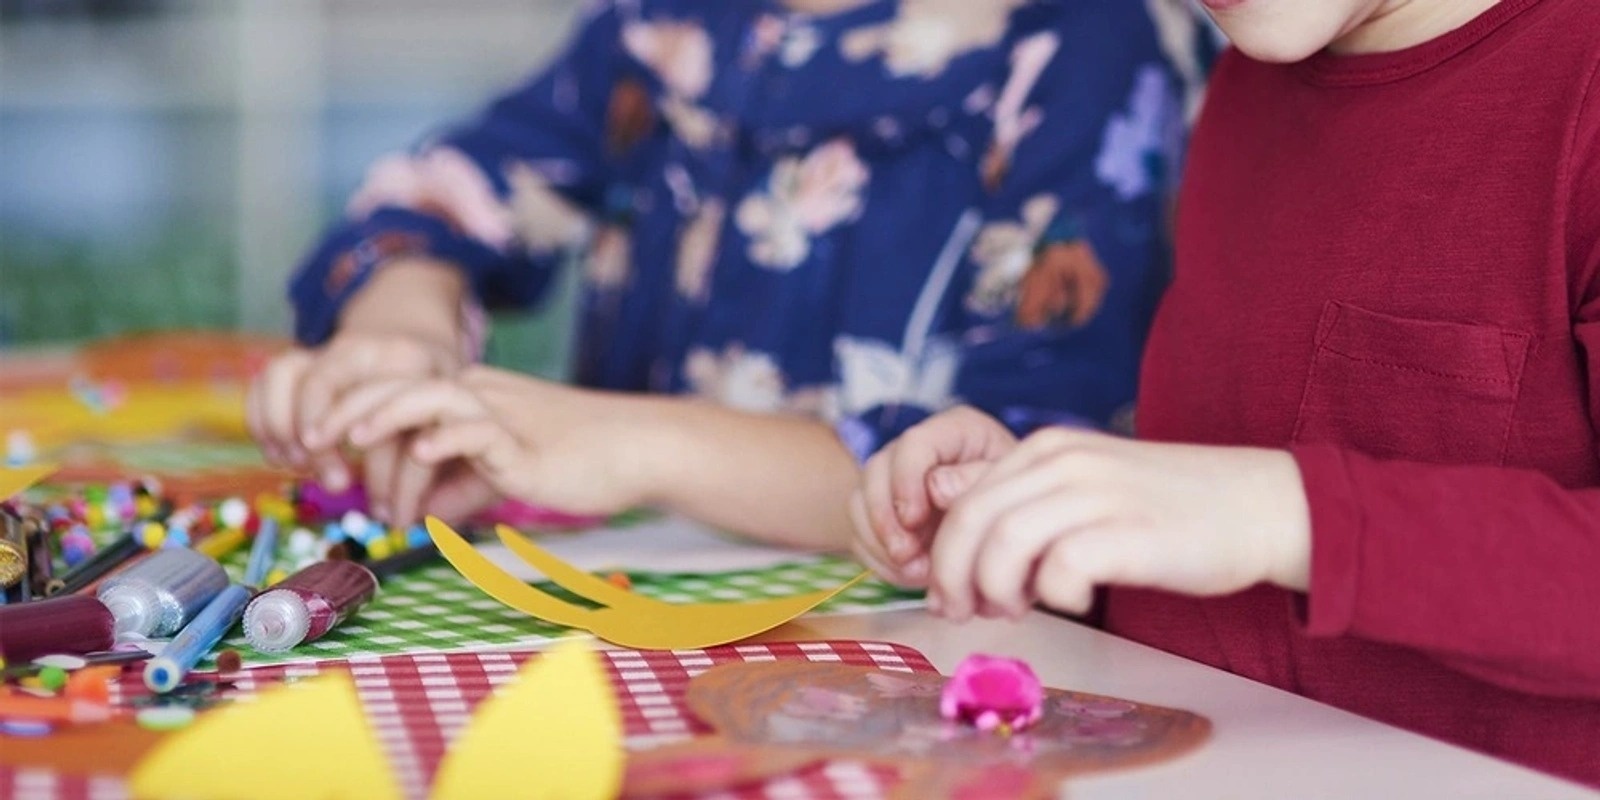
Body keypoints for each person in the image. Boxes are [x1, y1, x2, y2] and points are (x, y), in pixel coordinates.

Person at [853, 0, 1600, 785]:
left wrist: (1284, 513)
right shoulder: (1250, 78)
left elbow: (1277, 518)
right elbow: (1234, 562)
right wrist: (1047, 520)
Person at [247, 0, 1185, 549]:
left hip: (919, 657)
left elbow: (1031, 458)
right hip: (632, 593)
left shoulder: (1090, 48)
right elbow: (452, 191)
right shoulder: (663, 23)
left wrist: (631, 446)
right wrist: (401, 326)